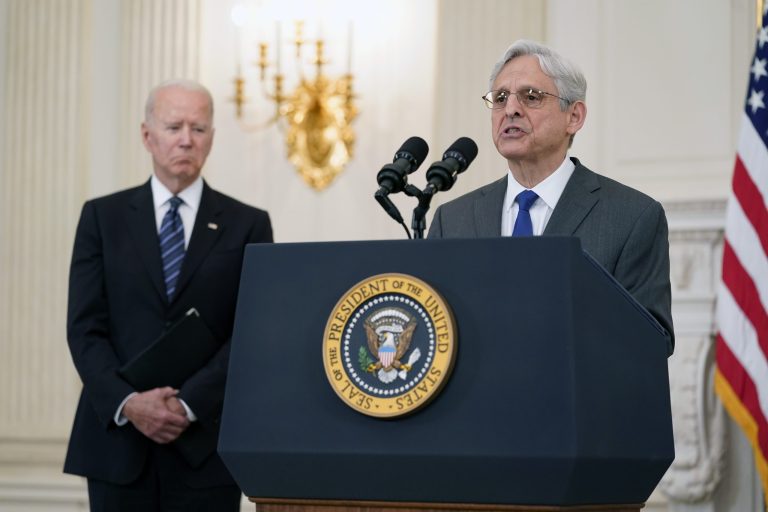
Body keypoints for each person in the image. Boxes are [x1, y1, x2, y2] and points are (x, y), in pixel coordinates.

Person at [64, 79, 273, 510]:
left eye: (198, 129)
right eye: (174, 126)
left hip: (205, 445)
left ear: (212, 139)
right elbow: (84, 329)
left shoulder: (248, 224)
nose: (186, 139)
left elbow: (251, 332)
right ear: (147, 135)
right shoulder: (102, 218)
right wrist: (130, 402)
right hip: (117, 445)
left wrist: (189, 403)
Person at [428, 40, 674, 353]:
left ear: (574, 116)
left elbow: (651, 342)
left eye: (531, 96)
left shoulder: (632, 216)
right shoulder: (453, 219)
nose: (511, 109)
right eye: (500, 98)